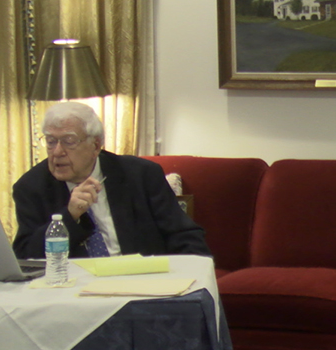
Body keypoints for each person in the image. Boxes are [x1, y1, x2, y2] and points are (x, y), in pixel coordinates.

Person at [13, 101, 211, 259]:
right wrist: (70, 216)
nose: (57, 152)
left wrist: (191, 274)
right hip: (75, 288)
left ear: (95, 145)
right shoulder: (31, 187)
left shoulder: (141, 175)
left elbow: (183, 234)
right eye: (50, 141)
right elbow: (26, 256)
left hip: (142, 280)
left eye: (69, 141)